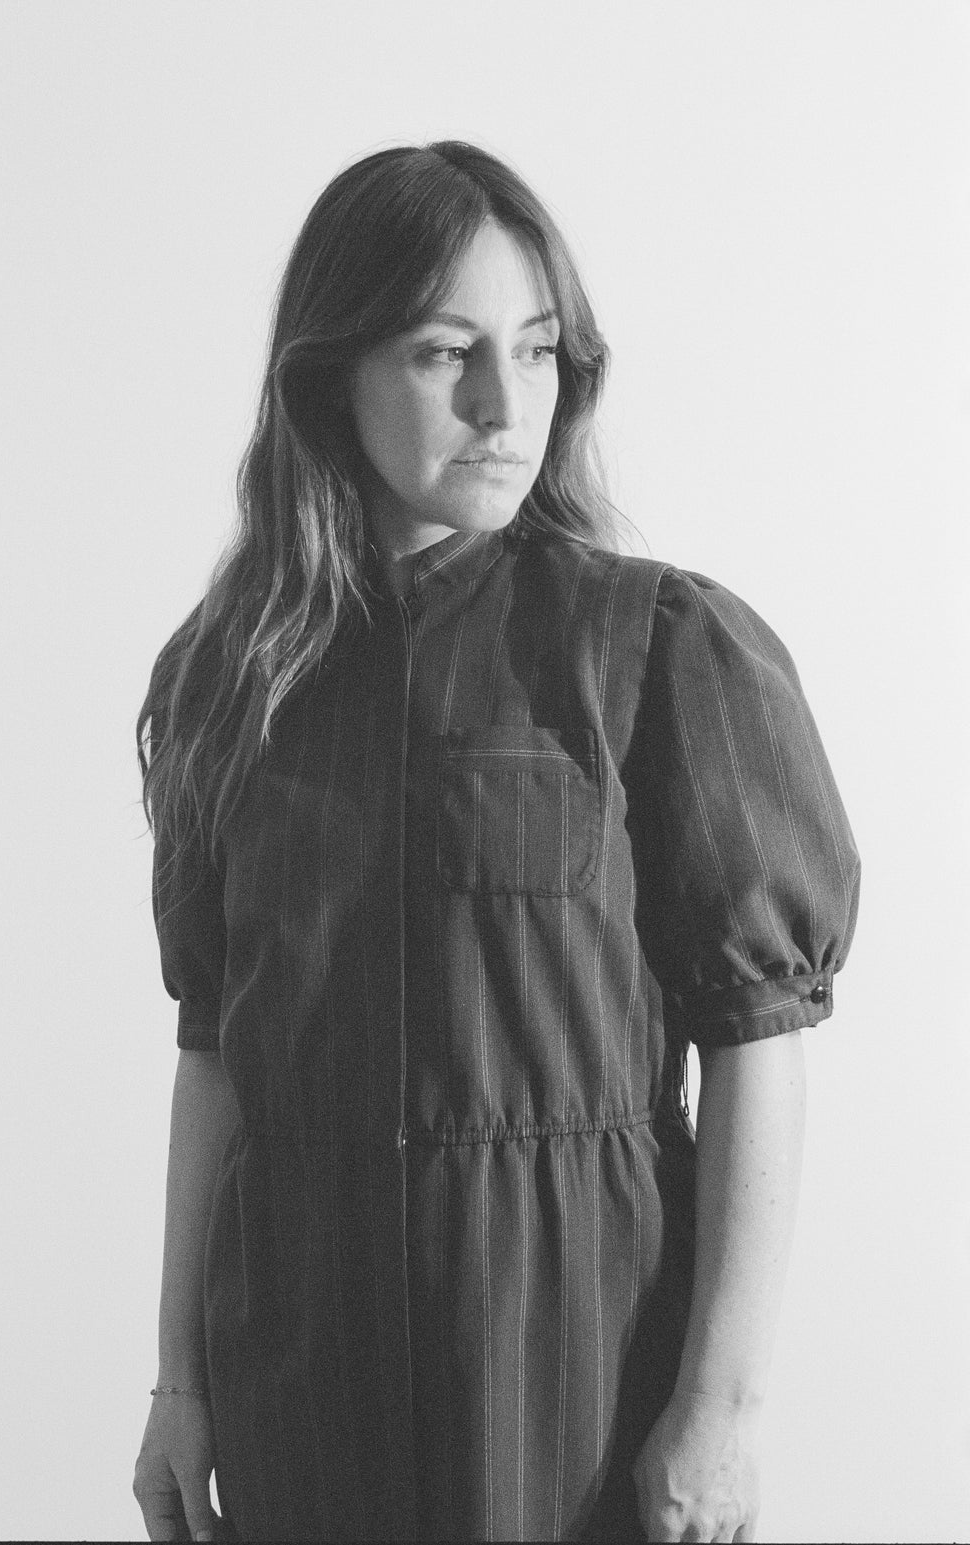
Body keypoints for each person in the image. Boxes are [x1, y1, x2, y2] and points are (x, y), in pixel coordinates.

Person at [132, 141, 860, 1544]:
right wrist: (179, 1380)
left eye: (535, 352)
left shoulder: (656, 649)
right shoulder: (233, 680)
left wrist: (722, 1406)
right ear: (327, 376)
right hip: (302, 1371)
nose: (498, 403)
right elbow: (214, 1050)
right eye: (440, 351)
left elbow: (762, 1039)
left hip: (580, 1370)